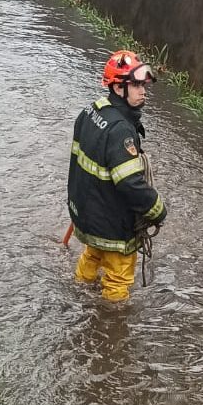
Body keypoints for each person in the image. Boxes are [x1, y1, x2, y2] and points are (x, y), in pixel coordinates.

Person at [68, 51, 167, 301]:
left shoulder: (91, 111)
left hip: (87, 215)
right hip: (112, 224)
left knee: (92, 256)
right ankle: (112, 319)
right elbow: (130, 183)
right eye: (136, 85)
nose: (143, 91)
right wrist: (156, 209)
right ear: (117, 87)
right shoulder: (121, 130)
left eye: (144, 85)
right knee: (118, 279)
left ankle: (77, 295)